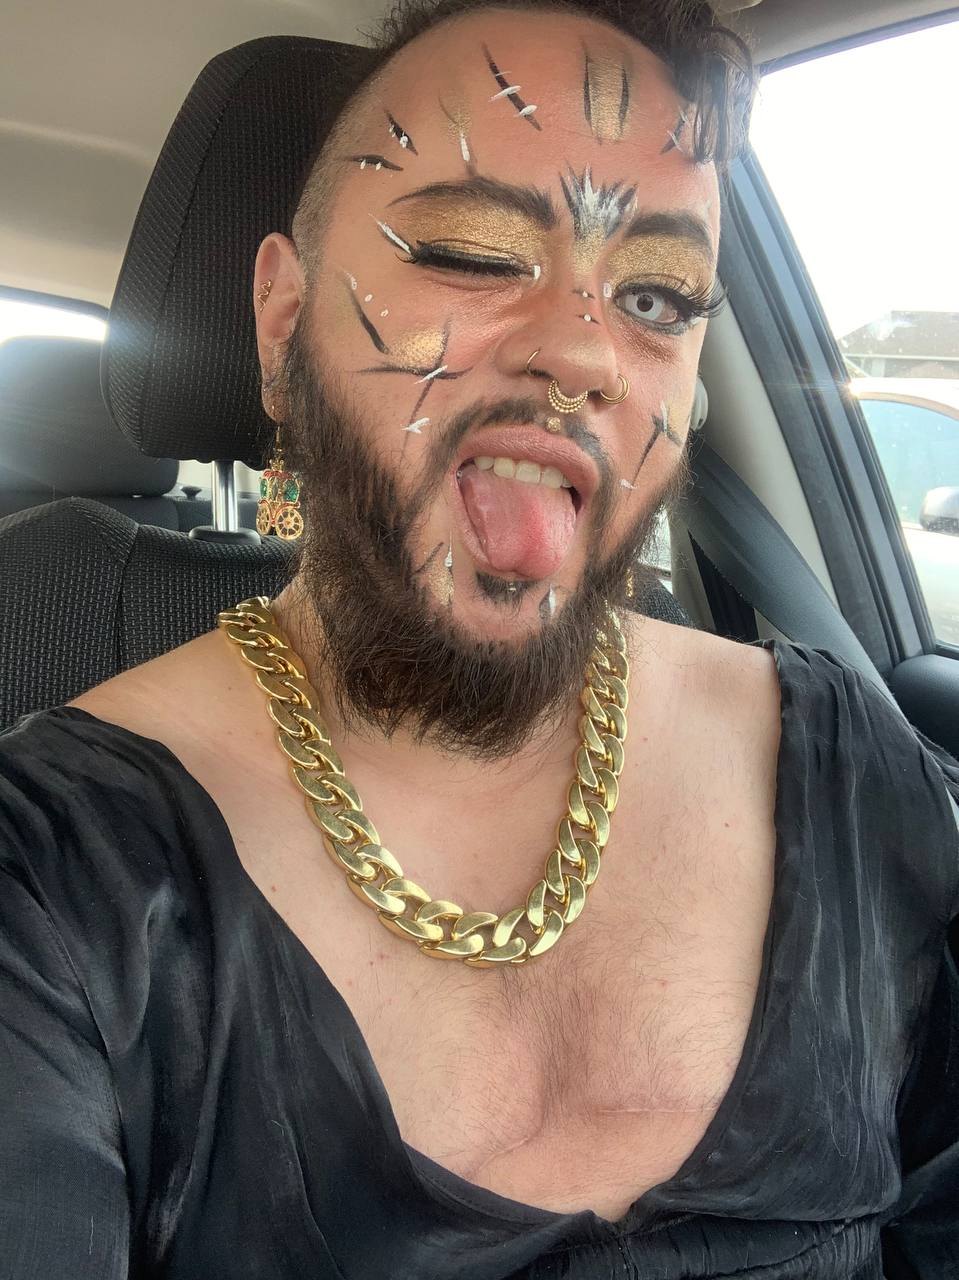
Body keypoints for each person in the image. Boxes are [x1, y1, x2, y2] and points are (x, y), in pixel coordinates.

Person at [1, 1, 957, 1276]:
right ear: (281, 322)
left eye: (658, 296)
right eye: (470, 251)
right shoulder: (51, 881)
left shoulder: (852, 776)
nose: (584, 351)